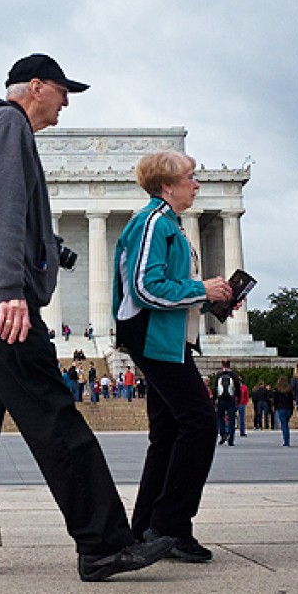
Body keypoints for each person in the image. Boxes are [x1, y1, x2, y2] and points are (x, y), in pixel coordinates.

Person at [0, 54, 174, 581]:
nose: (65, 105)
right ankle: (102, 543)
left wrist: (46, 250)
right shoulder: (8, 124)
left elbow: (4, 213)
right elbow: (2, 210)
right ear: (35, 87)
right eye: (62, 92)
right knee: (50, 407)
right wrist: (12, 290)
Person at [113, 151, 234, 562]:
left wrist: (211, 300)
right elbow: (146, 288)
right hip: (153, 337)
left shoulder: (170, 226)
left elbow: (169, 287)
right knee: (199, 422)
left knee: (166, 434)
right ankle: (171, 525)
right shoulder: (152, 223)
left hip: (168, 336)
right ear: (167, 185)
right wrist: (202, 290)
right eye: (190, 177)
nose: (197, 184)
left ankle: (147, 526)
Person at [213, 362, 241, 446]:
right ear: (229, 366)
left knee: (220, 417)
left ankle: (223, 433)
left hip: (221, 399)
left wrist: (214, 399)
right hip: (231, 400)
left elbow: (215, 388)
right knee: (231, 419)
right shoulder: (233, 375)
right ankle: (231, 438)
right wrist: (238, 398)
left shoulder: (218, 375)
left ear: (222, 365)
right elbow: (237, 388)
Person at [272, 376, 295, 446]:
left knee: (284, 424)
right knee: (286, 424)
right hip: (288, 409)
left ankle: (286, 440)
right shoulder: (289, 391)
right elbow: (291, 400)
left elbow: (275, 401)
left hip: (281, 408)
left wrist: (275, 408)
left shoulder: (277, 391)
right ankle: (287, 439)